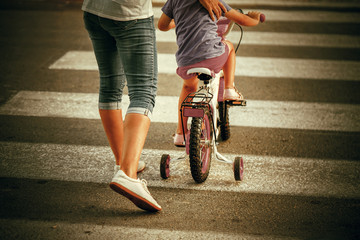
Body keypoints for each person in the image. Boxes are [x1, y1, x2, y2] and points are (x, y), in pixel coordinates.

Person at [82, 0, 228, 212]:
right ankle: (127, 172)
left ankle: (121, 162)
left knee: (110, 86)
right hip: (128, 13)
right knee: (142, 91)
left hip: (93, 10)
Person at [158, 0, 261, 147]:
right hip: (212, 56)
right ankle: (229, 89)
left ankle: (180, 134)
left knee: (188, 88)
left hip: (185, 61)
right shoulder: (213, 1)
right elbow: (243, 20)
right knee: (229, 47)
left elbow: (162, 26)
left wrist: (176, 22)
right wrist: (255, 18)